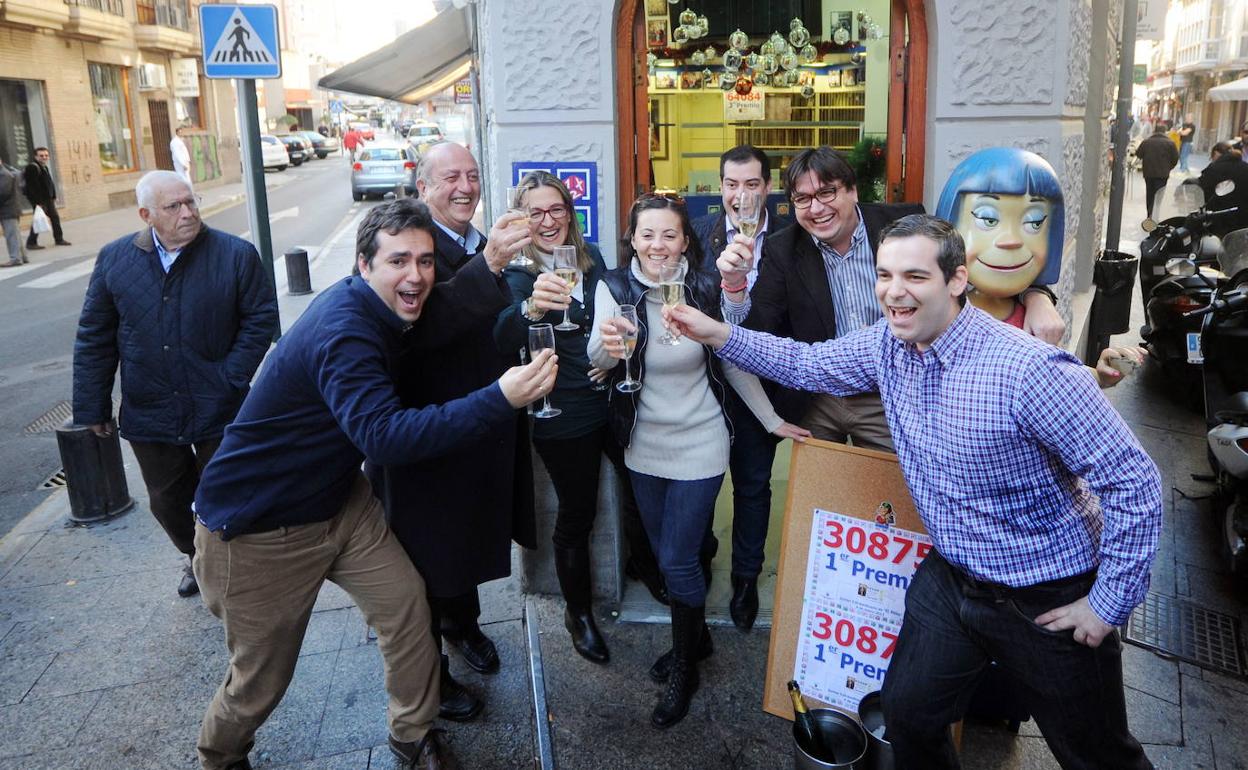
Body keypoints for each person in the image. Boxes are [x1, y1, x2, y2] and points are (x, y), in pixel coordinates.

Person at [665, 213, 1162, 770]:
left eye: (915, 277)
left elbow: (1135, 484)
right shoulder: (887, 346)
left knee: (1099, 756)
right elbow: (805, 363)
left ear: (956, 280)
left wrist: (1107, 604)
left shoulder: (1030, 370)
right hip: (949, 580)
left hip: (1045, 597)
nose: (894, 293)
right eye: (884, 275)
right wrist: (716, 333)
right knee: (908, 715)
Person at [191, 198, 558, 770]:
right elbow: (384, 437)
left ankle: (412, 735)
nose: (416, 276)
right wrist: (499, 398)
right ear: (363, 266)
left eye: (426, 260)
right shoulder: (345, 331)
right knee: (260, 679)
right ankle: (220, 754)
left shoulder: (386, 308)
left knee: (407, 608)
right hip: (259, 526)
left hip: (340, 502)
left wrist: (484, 263)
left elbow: (435, 317)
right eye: (398, 262)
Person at [589, 193, 808, 728]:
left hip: (702, 443)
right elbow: (596, 363)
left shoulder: (705, 288)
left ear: (685, 240)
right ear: (633, 240)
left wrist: (769, 419)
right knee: (666, 555)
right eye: (647, 235)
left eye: (669, 235)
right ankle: (700, 638)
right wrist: (611, 349)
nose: (658, 246)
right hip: (643, 444)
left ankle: (685, 663)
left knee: (679, 560)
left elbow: (734, 361)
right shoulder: (613, 288)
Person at [729, 146, 1067, 453]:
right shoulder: (783, 248)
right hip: (821, 398)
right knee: (822, 496)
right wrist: (734, 286)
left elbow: (972, 269)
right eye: (802, 199)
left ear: (852, 190)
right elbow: (757, 327)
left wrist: (1037, 294)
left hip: (893, 390)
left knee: (895, 499)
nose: (816, 208)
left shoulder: (903, 224)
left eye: (827, 192)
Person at [372, 141, 535, 722]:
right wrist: (489, 265)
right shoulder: (408, 245)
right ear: (421, 188)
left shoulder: (477, 239)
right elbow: (418, 323)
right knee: (423, 560)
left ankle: (463, 626)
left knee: (462, 542)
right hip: (424, 431)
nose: (465, 187)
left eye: (472, 175)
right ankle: (431, 679)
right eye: (449, 178)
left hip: (478, 421)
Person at [72, 170, 277, 598]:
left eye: (191, 202)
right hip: (151, 405)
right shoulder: (115, 259)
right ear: (146, 214)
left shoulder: (235, 255)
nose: (188, 213)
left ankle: (232, 563)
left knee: (226, 487)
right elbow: (95, 334)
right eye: (174, 206)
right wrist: (91, 408)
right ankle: (196, 557)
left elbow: (261, 319)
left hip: (218, 400)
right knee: (167, 499)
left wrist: (231, 375)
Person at [493, 170, 621, 664]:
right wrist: (527, 308)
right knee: (577, 513)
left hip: (612, 401)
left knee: (635, 489)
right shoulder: (513, 275)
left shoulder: (592, 263)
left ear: (570, 213)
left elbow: (607, 327)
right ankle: (579, 614)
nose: (548, 220)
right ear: (522, 220)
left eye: (556, 209)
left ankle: (649, 568)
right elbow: (501, 338)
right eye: (535, 212)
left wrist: (612, 361)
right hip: (562, 413)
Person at [692, 144, 793, 631]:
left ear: (768, 188)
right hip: (707, 385)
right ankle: (702, 555)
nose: (741, 195)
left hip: (764, 386)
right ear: (721, 188)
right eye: (732, 184)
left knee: (753, 486)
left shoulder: (793, 242)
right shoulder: (698, 239)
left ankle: (746, 579)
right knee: (705, 481)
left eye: (752, 184)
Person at [1197, 141, 1248, 237]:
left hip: (1217, 222)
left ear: (1216, 153)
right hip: (1243, 222)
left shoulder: (1214, 169)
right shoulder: (1245, 168)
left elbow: (1202, 192)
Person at [23, 146, 69, 249]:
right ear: (36, 156)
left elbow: (48, 183)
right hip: (40, 200)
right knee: (39, 219)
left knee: (54, 218)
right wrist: (38, 202)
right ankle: (31, 243)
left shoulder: (44, 167)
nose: (44, 157)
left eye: (46, 155)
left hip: (48, 199)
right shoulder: (32, 167)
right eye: (41, 155)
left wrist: (53, 196)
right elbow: (32, 187)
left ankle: (59, 239)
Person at [1136, 123, 1179, 219]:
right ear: (1165, 132)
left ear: (1154, 131)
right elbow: (1175, 159)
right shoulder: (1170, 143)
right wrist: (1169, 168)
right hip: (1163, 175)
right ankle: (1156, 215)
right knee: (1159, 195)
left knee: (1150, 194)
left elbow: (1138, 154)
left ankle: (1149, 214)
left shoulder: (1146, 142)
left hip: (1149, 173)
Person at [0, 155, 26, 267]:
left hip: (8, 209)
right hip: (9, 209)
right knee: (14, 234)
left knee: (11, 235)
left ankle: (15, 258)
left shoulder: (4, 175)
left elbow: (2, 193)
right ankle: (22, 257)